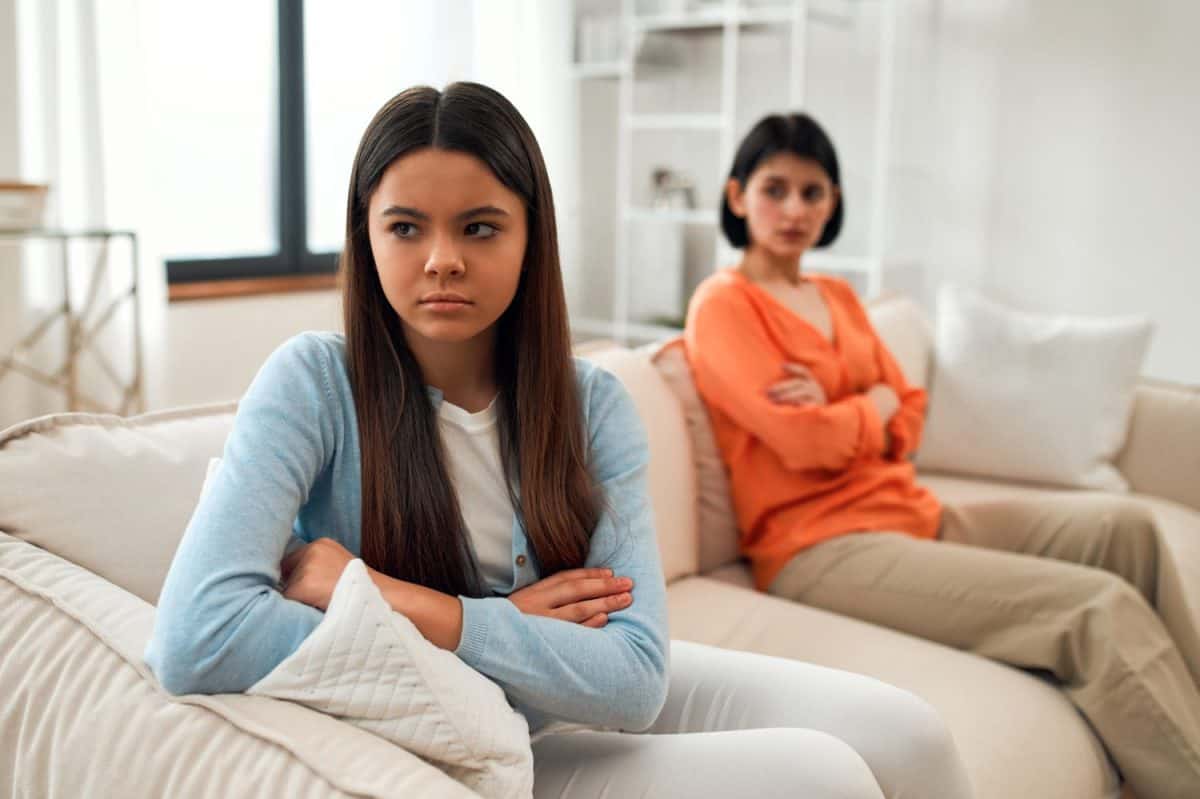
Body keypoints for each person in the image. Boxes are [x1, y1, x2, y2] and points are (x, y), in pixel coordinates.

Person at [145, 84, 971, 798]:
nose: (442, 261)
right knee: (819, 780)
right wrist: (511, 628)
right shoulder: (312, 385)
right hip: (475, 746)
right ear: (364, 235)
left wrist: (405, 601)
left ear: (531, 235)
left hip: (555, 699)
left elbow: (635, 676)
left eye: (479, 227)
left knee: (908, 732)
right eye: (405, 228)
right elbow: (197, 636)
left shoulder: (592, 405)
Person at [683, 110, 1200, 799]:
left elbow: (911, 404)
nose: (794, 209)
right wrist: (871, 401)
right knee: (1094, 609)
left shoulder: (836, 294)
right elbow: (804, 440)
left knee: (1125, 528)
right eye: (775, 188)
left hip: (910, 513)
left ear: (834, 204)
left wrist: (849, 400)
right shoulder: (722, 304)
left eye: (814, 192)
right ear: (736, 193)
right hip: (820, 548)